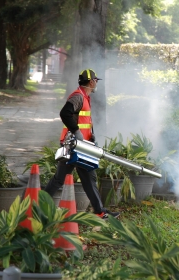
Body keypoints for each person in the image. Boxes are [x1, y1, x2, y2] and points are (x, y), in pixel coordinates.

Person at [45, 69, 120, 220]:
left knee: (87, 178)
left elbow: (82, 120)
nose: (96, 83)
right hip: (74, 145)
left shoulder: (84, 97)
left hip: (81, 145)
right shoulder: (78, 96)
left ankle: (100, 211)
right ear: (91, 82)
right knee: (63, 179)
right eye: (96, 80)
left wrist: (90, 136)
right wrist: (77, 132)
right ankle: (37, 203)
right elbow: (64, 114)